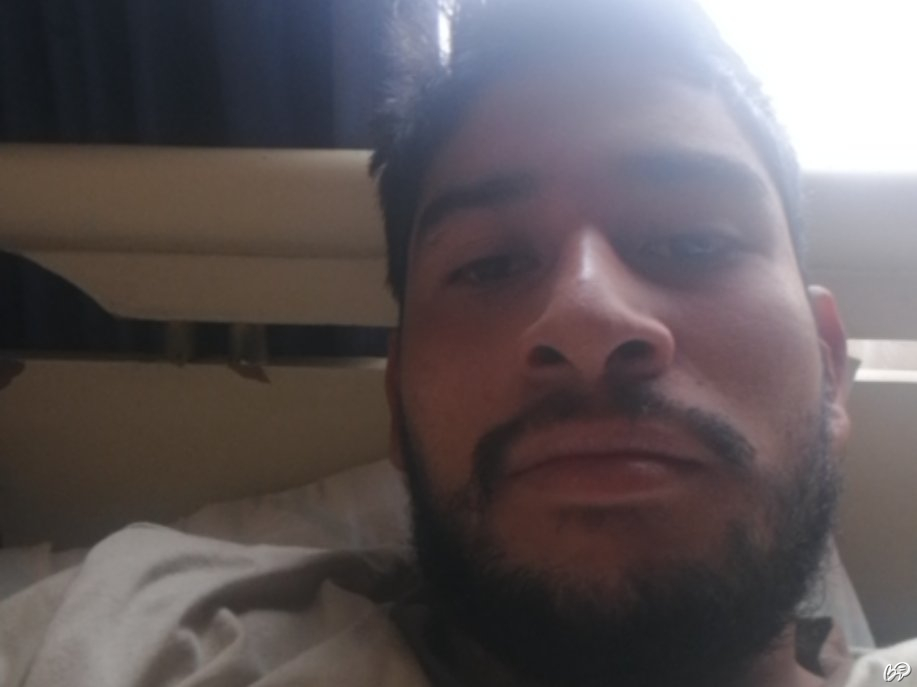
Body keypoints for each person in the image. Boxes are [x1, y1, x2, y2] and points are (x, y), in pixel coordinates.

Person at [1, 1, 914, 685]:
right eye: (489, 265)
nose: (587, 318)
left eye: (691, 242)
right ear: (396, 400)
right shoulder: (126, 638)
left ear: (827, 367)